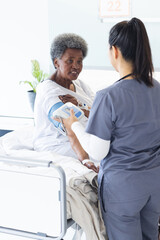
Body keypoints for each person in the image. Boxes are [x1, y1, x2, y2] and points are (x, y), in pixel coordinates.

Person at [62, 18, 160, 240]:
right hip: (154, 184)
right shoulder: (157, 89)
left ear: (114, 51)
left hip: (124, 190)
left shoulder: (109, 96)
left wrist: (74, 125)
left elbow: (97, 152)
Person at [33, 33, 98, 172]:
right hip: (58, 144)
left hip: (83, 137)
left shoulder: (80, 85)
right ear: (56, 62)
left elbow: (100, 112)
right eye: (70, 61)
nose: (76, 66)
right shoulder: (49, 90)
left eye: (79, 61)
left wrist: (81, 107)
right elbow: (70, 127)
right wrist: (85, 159)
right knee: (104, 153)